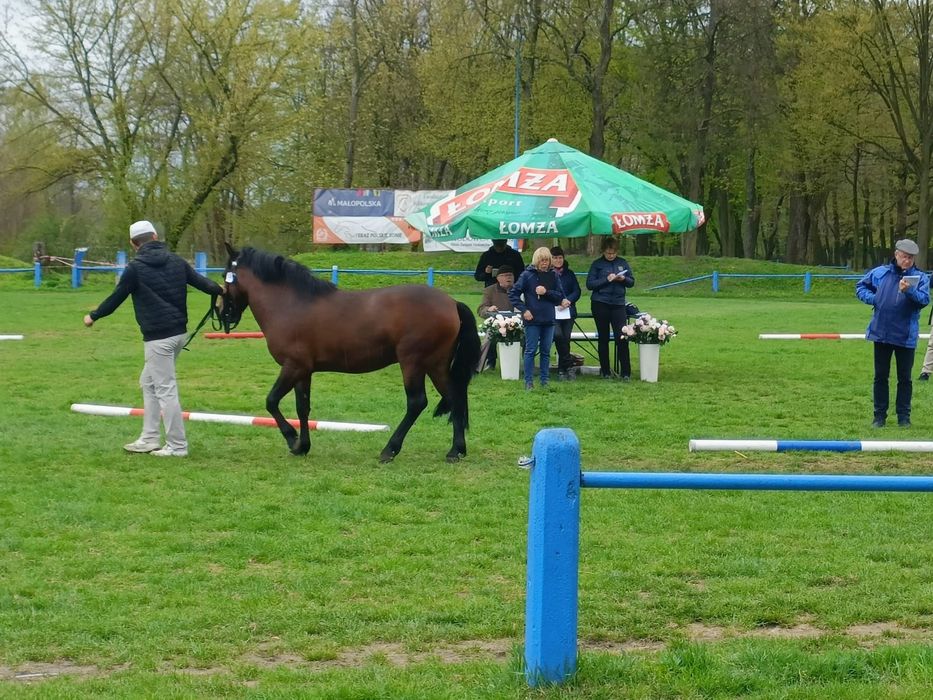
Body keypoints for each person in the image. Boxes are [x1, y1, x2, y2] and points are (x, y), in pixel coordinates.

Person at [83, 220, 223, 456]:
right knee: (148, 383)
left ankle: (177, 446)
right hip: (179, 334)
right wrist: (222, 290)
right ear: (155, 236)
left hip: (158, 339)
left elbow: (115, 299)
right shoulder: (177, 261)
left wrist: (93, 316)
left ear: (133, 243)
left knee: (165, 390)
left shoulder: (134, 269)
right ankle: (149, 438)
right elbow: (204, 284)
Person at [856, 238, 930, 428]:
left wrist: (908, 292)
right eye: (905, 257)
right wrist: (875, 299)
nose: (908, 261)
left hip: (905, 336)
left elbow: (923, 300)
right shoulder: (880, 273)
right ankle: (879, 417)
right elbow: (860, 287)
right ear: (896, 255)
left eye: (911, 258)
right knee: (880, 376)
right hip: (881, 333)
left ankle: (903, 417)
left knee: (904, 378)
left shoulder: (920, 278)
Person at [509, 247, 567, 390]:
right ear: (536, 260)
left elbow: (560, 296)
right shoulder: (527, 275)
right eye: (542, 260)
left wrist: (546, 292)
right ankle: (528, 381)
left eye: (547, 260)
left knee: (546, 351)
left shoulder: (554, 276)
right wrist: (524, 310)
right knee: (530, 350)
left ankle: (544, 380)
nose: (544, 263)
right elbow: (513, 294)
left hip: (549, 319)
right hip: (532, 319)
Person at [586, 237, 635, 379]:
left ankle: (625, 372)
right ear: (603, 251)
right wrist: (606, 280)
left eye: (613, 253)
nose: (610, 256)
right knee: (604, 338)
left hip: (618, 304)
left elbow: (631, 282)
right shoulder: (597, 264)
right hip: (600, 303)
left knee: (622, 336)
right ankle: (606, 370)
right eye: (608, 253)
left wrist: (623, 279)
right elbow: (590, 284)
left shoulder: (622, 262)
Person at [550, 246, 582, 380]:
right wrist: (558, 301)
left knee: (566, 338)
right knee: (558, 336)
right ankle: (568, 366)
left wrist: (568, 300)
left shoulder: (569, 273)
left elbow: (577, 291)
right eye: (555, 258)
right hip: (553, 311)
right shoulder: (547, 274)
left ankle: (563, 369)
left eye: (560, 257)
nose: (558, 260)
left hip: (568, 311)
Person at [476, 265, 517, 371]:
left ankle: (526, 364)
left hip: (517, 324)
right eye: (505, 275)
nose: (508, 278)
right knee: (488, 336)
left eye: (510, 275)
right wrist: (489, 309)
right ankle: (480, 366)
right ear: (498, 278)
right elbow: (481, 309)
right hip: (497, 324)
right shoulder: (489, 291)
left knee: (529, 336)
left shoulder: (519, 289)